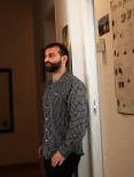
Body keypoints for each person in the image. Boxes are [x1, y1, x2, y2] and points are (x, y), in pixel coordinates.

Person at [38, 42, 89, 177]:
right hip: (49, 152)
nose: (46, 59)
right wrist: (45, 145)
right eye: (45, 56)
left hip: (66, 153)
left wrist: (63, 152)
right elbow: (50, 120)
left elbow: (80, 123)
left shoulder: (75, 86)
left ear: (64, 59)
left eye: (51, 55)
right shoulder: (48, 87)